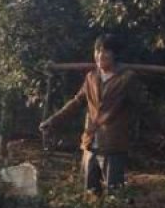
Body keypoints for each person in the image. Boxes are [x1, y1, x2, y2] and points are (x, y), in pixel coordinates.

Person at [39, 34, 140, 194]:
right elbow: (76, 102)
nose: (100, 55)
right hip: (90, 144)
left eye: (106, 51)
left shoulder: (126, 79)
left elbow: (138, 105)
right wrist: (52, 121)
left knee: (114, 193)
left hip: (113, 145)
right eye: (97, 50)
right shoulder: (91, 77)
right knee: (90, 193)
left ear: (115, 54)